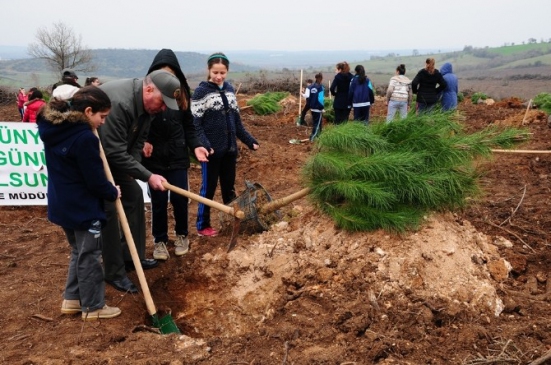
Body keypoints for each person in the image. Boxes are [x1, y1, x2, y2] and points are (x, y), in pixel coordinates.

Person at [37, 86, 122, 321]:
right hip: (83, 208)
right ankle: (93, 306)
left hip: (62, 203)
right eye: (101, 117)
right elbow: (95, 181)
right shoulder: (84, 138)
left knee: (79, 250)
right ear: (87, 111)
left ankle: (72, 299)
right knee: (90, 255)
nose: (103, 122)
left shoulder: (54, 129)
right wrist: (111, 191)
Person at [98, 69, 180, 293]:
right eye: (162, 102)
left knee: (133, 195)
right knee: (109, 207)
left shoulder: (147, 107)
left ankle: (131, 257)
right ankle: (114, 271)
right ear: (149, 89)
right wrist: (147, 175)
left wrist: (133, 172)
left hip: (115, 158)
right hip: (96, 161)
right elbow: (112, 150)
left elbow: (137, 142)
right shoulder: (119, 103)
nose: (163, 108)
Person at [142, 49, 209, 260]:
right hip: (155, 158)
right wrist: (144, 141)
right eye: (162, 73)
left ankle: (182, 236)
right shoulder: (147, 96)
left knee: (181, 199)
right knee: (158, 202)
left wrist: (195, 146)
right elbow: (140, 125)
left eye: (170, 73)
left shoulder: (182, 95)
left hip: (178, 156)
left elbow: (189, 126)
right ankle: (160, 240)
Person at [192, 52, 259, 237]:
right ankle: (202, 225)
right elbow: (195, 124)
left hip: (230, 150)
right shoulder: (201, 92)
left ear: (227, 71)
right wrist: (205, 144)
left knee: (229, 188)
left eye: (222, 72)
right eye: (215, 72)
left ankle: (231, 221)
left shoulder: (229, 90)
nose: (219, 76)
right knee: (208, 189)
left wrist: (249, 140)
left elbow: (237, 122)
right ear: (209, 70)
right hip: (211, 152)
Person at [308, 72, 325, 142]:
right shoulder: (320, 87)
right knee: (317, 124)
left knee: (318, 123)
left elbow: (308, 97)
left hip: (312, 108)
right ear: (321, 79)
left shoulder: (311, 86)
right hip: (318, 109)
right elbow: (321, 99)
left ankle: (319, 136)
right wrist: (322, 108)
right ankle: (313, 137)